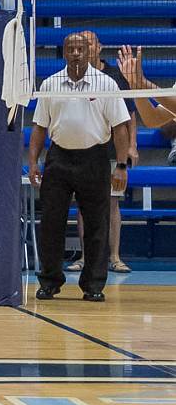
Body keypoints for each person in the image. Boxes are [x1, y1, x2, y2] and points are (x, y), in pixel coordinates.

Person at [29, 32, 133, 303]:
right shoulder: (51, 84)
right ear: (64, 53)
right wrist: (32, 162)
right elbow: (39, 127)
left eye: (81, 48)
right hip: (59, 158)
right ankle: (50, 281)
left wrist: (121, 165)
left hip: (94, 159)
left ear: (90, 52)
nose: (76, 53)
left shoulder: (107, 84)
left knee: (97, 224)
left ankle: (93, 284)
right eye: (71, 49)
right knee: (51, 223)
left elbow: (120, 127)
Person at [71, 32, 137, 275]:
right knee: (83, 205)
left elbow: (130, 113)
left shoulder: (116, 76)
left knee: (112, 204)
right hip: (84, 149)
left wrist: (131, 146)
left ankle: (115, 257)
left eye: (90, 43)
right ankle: (85, 257)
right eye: (82, 44)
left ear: (99, 47)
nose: (86, 47)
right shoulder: (74, 74)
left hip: (111, 150)